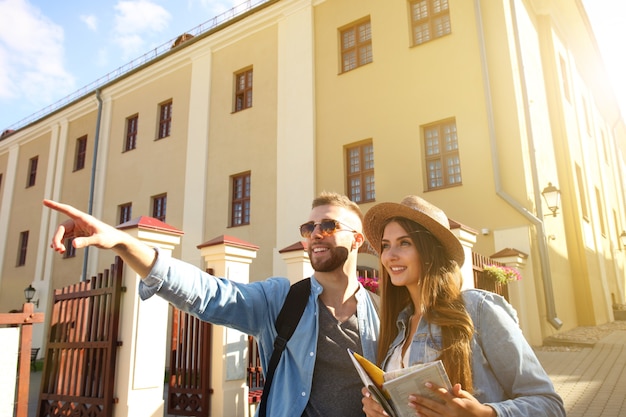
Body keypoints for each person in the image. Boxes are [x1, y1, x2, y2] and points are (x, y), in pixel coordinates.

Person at [44, 192, 380, 417]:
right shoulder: (280, 300)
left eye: (329, 225)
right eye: (310, 227)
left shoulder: (384, 313)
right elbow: (209, 293)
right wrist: (124, 243)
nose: (316, 234)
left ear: (357, 239)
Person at [360, 195, 565, 417]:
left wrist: (486, 414)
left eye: (405, 243)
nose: (390, 255)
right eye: (385, 246)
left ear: (432, 251)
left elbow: (548, 404)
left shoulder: (478, 310)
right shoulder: (396, 326)